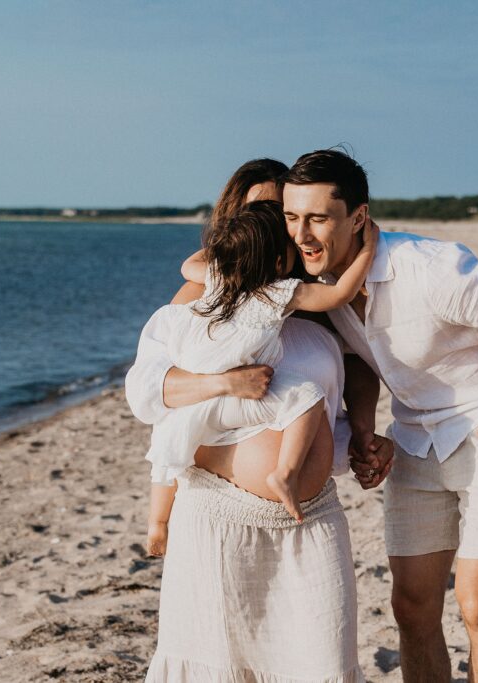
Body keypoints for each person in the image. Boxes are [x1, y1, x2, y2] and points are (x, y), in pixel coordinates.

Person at [280, 149, 478, 682]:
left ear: (358, 217)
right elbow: (359, 359)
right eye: (291, 217)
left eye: (318, 218)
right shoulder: (319, 286)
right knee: (411, 607)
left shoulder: (431, 268)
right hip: (416, 436)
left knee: (477, 605)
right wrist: (366, 427)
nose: (301, 233)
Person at [126, 158, 374, 681]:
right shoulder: (201, 297)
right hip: (215, 519)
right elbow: (147, 394)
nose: (276, 226)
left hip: (310, 521)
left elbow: (329, 408)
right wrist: (222, 383)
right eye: (258, 210)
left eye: (281, 213)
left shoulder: (310, 304)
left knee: (322, 662)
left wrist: (364, 443)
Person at [144, 200, 377, 521]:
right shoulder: (279, 291)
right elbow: (341, 294)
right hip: (232, 404)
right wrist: (368, 249)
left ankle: (157, 521)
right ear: (282, 260)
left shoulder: (219, 276)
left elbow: (189, 264)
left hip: (216, 394)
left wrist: (230, 246)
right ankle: (285, 472)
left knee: (169, 439)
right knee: (307, 397)